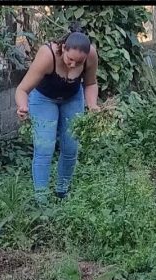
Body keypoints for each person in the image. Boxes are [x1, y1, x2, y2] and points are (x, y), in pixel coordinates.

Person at [14, 22, 100, 204]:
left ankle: (62, 193)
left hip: (72, 98)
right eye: (70, 59)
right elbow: (22, 90)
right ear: (63, 48)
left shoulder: (91, 54)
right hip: (44, 99)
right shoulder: (47, 55)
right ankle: (42, 201)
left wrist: (92, 106)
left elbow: (91, 83)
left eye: (79, 62)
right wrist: (22, 107)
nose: (73, 64)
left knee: (71, 148)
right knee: (45, 148)